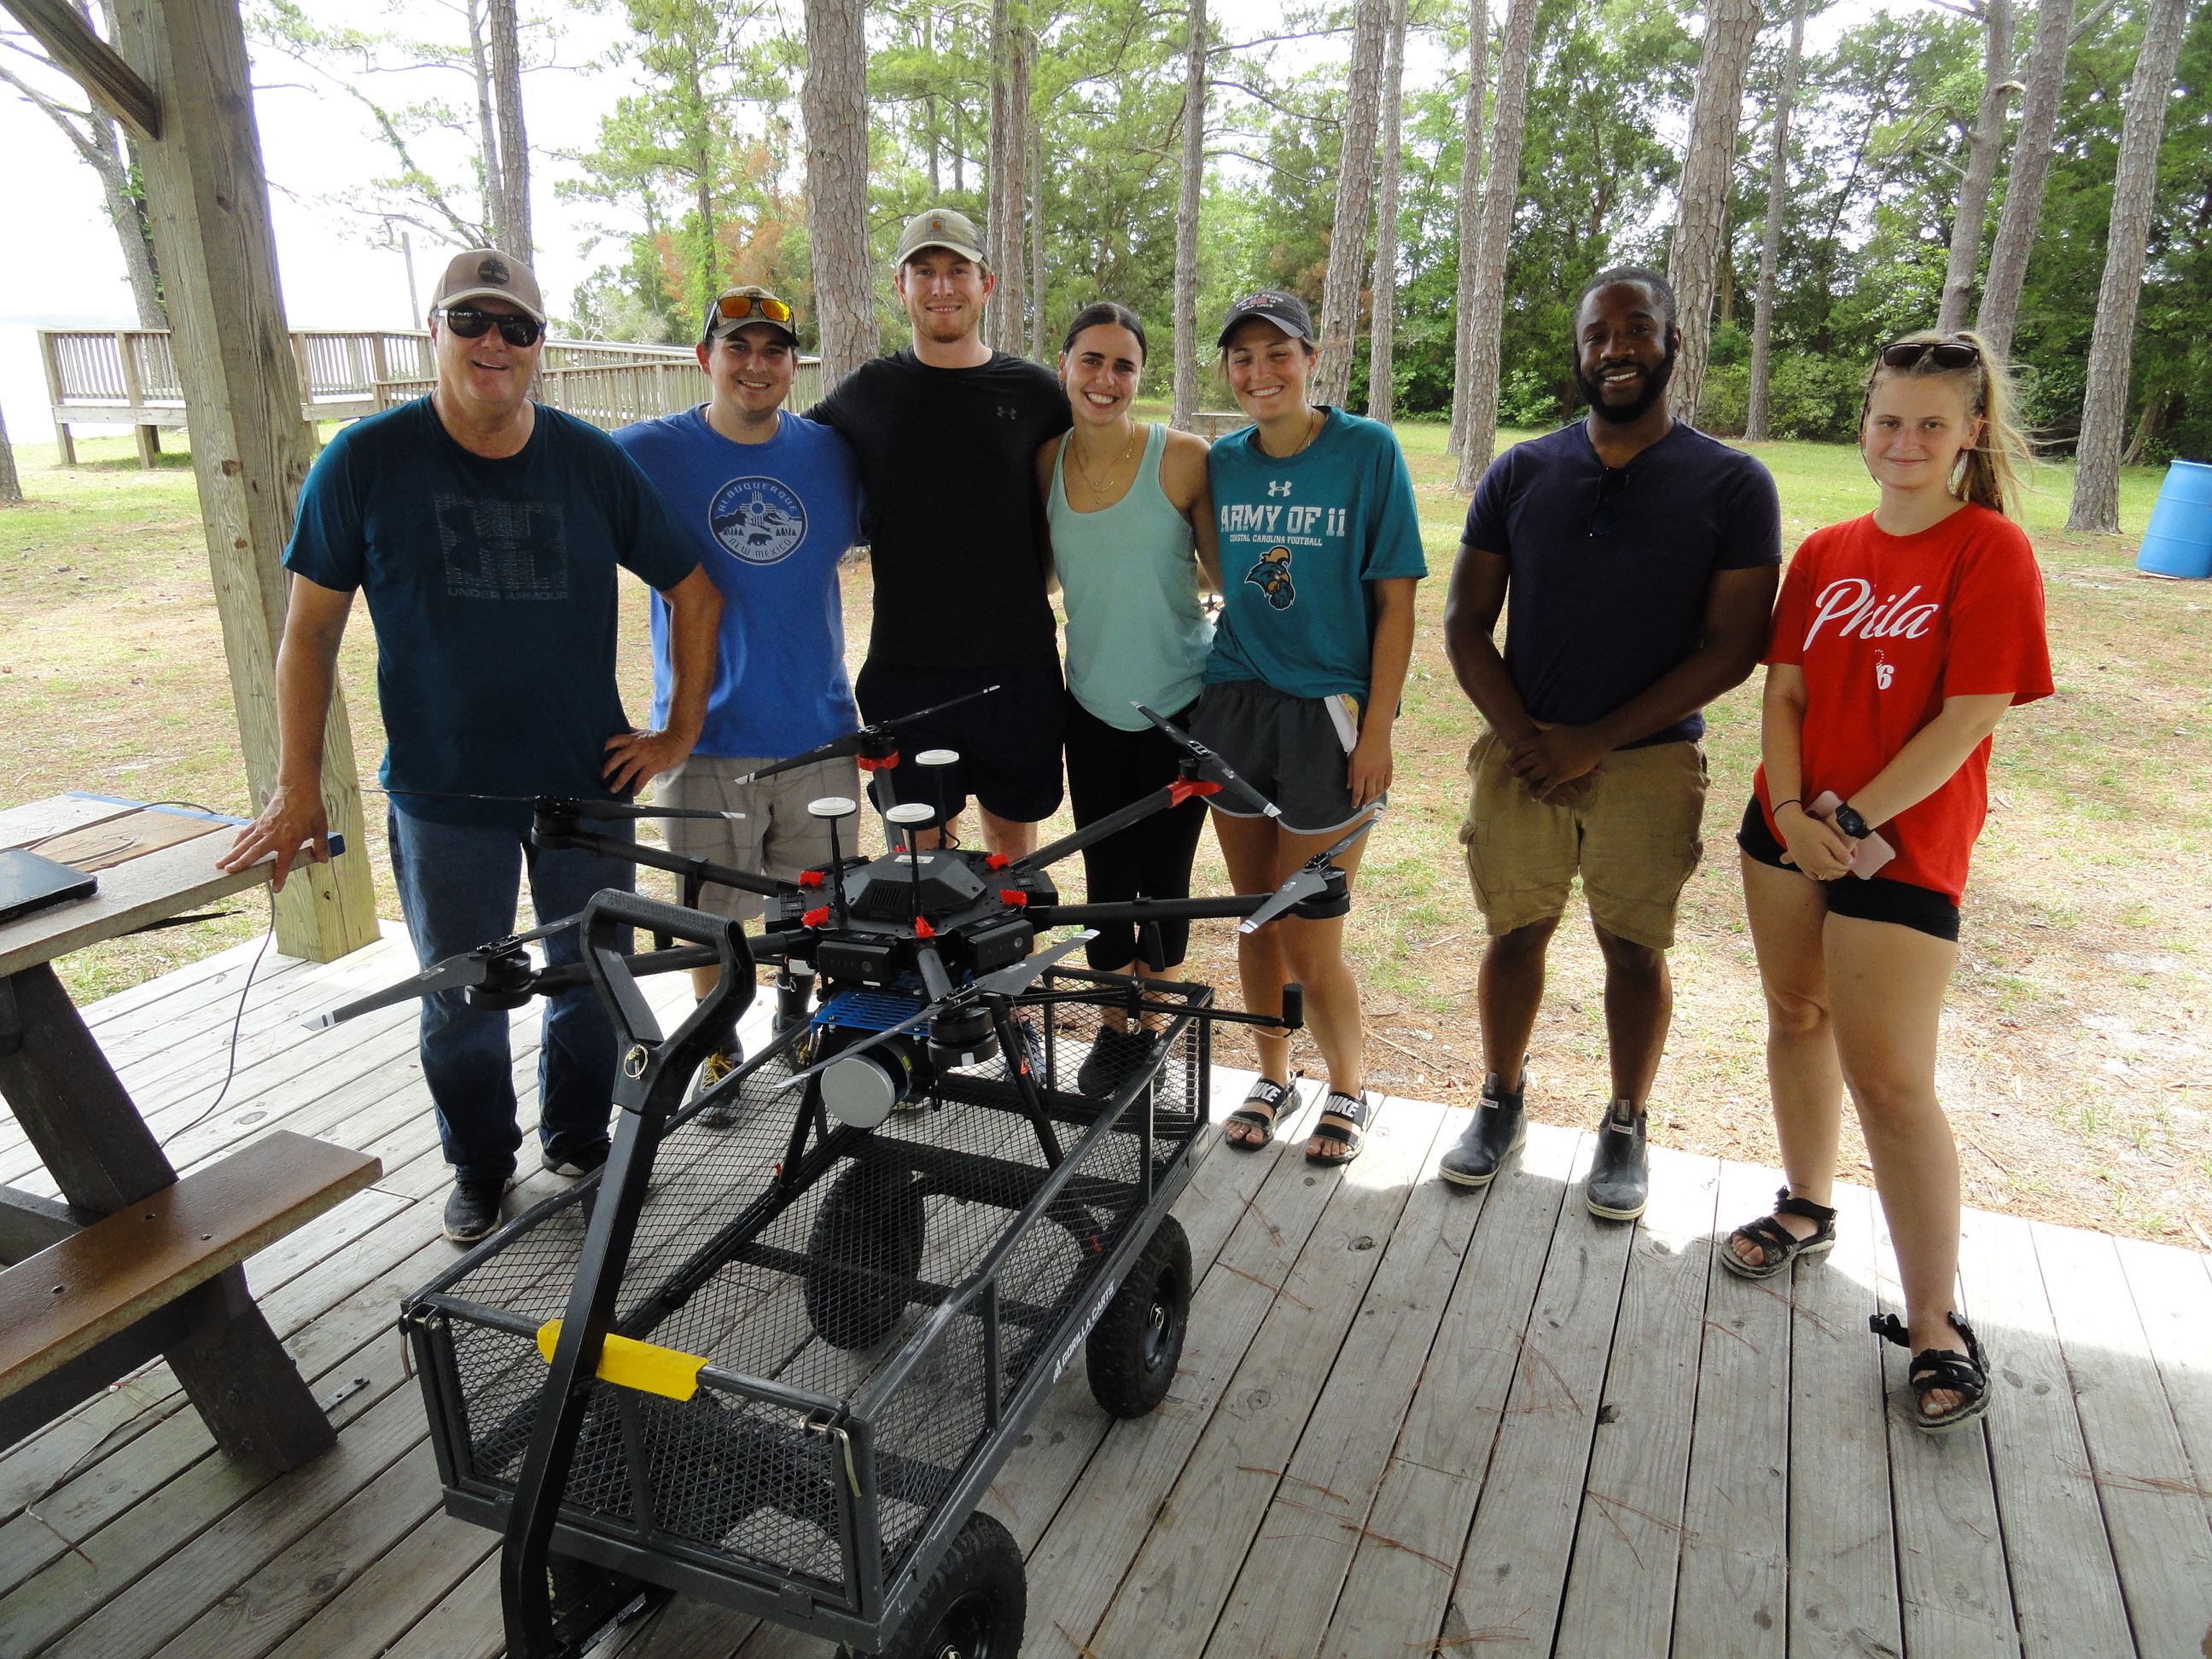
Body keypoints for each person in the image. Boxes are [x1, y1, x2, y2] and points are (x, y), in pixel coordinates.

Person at [218, 248, 722, 1245]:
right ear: (433, 331)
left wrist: (677, 733)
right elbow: (307, 633)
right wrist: (294, 788)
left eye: (517, 327)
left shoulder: (589, 461)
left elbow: (695, 591)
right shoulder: (363, 461)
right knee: (462, 994)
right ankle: (479, 1168)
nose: (494, 343)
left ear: (541, 346)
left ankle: (577, 1141)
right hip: (444, 795)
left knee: (592, 973)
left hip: (586, 784)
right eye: (471, 321)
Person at [1722, 330, 2047, 1433]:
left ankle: (1936, 1323)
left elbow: (1969, 719)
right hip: (1791, 829)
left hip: (1902, 845)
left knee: (1894, 1082)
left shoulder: (1989, 551)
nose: (1903, 442)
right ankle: (1808, 1205)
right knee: (1796, 1013)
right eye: (1888, 420)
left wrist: (1852, 820)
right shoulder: (1823, 550)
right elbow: (1786, 697)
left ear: (1972, 435)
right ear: (1865, 426)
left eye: (1930, 424)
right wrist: (1793, 815)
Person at [1440, 267, 1780, 1221]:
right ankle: (1501, 1098)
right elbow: (1466, 623)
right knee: (1516, 933)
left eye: (1637, 330)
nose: (1616, 349)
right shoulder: (1522, 472)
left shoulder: (1732, 483)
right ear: (1580, 353)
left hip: (1649, 762)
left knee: (1632, 948)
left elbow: (1736, 646)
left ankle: (1626, 1120)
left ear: (1673, 343)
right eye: (1598, 335)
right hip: (1523, 757)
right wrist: (1528, 740)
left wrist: (1596, 740)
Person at [611, 285, 864, 1083]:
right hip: (703, 734)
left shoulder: (830, 455)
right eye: (738, 348)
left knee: (814, 906)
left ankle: (796, 1007)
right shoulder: (645, 453)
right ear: (705, 358)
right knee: (705, 918)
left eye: (774, 351)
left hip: (816, 731)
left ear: (794, 365)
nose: (756, 366)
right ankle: (718, 1040)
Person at [1197, 290, 1426, 1167]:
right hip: (1236, 700)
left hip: (1329, 714)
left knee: (1310, 926)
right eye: (1243, 358)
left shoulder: (1366, 451)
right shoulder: (1223, 461)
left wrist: (1377, 730)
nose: (1260, 373)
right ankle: (1270, 1072)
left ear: (1312, 356)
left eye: (1277, 353)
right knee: (1256, 917)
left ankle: (1348, 1086)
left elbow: (1397, 600)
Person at [807, 208, 1072, 857]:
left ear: (987, 282)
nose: (941, 286)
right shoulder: (867, 393)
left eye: (958, 270)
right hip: (908, 669)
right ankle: (927, 963)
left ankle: (1010, 960)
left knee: (1010, 848)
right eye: (923, 271)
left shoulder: (1038, 394)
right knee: (919, 859)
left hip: (1018, 663)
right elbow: (781, 455)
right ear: (901, 287)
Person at [1034, 301, 1219, 1091]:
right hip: (1092, 704)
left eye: (1123, 366)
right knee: (1106, 877)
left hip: (1180, 705)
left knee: (1166, 876)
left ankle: (1160, 1033)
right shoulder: (1044, 461)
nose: (1105, 379)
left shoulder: (1182, 458)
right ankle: (1117, 1028)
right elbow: (1040, 573)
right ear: (1066, 366)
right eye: (1091, 361)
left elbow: (1224, 576)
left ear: (1141, 376)